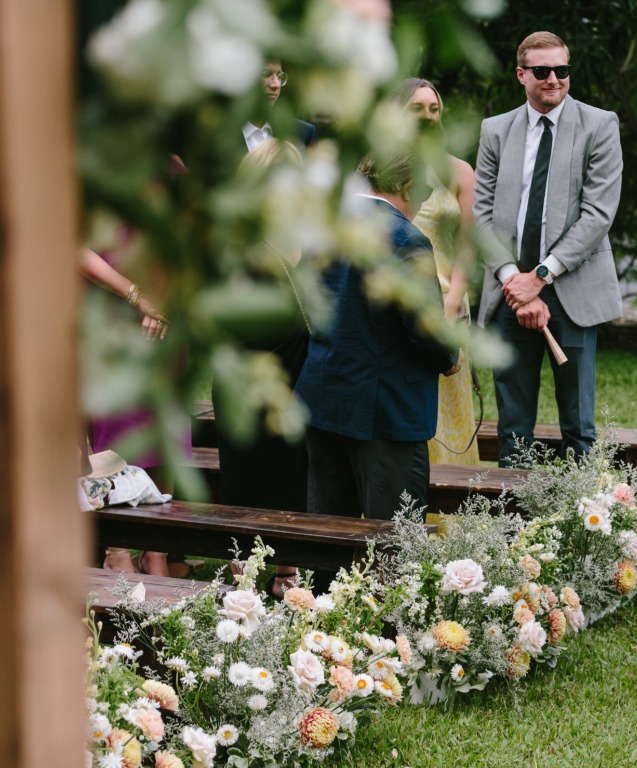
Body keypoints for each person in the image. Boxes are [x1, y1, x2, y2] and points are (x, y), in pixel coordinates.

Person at [474, 31, 623, 466]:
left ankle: (582, 528)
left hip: (570, 289)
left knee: (578, 426)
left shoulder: (599, 125)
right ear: (521, 74)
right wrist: (512, 281)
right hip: (508, 290)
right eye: (542, 71)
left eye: (562, 69)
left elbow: (597, 214)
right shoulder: (495, 131)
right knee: (512, 427)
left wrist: (538, 279)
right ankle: (513, 530)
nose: (554, 79)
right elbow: (481, 216)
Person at [295, 152, 460, 522]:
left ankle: (319, 585)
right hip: (386, 410)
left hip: (324, 397)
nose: (420, 206)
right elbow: (424, 328)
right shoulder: (407, 240)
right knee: (395, 538)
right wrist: (452, 357)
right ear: (405, 187)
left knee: (327, 528)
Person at [210, 139, 309, 597]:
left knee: (294, 475)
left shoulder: (309, 236)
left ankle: (288, 574)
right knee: (247, 480)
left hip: (299, 382)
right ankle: (243, 581)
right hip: (247, 382)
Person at [80, 245, 187, 578]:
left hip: (164, 303)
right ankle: (117, 549)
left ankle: (156, 551)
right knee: (115, 427)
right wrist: (136, 295)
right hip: (108, 303)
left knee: (164, 424)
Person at [402, 78, 481, 465]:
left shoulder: (459, 171)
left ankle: (451, 520)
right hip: (397, 304)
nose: (428, 116)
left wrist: (451, 305)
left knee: (448, 415)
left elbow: (468, 248)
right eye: (417, 108)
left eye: (434, 109)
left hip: (449, 303)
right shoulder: (373, 169)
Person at [242, 61, 317, 153]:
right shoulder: (222, 135)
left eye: (280, 76)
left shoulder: (303, 133)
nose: (276, 85)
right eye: (266, 74)